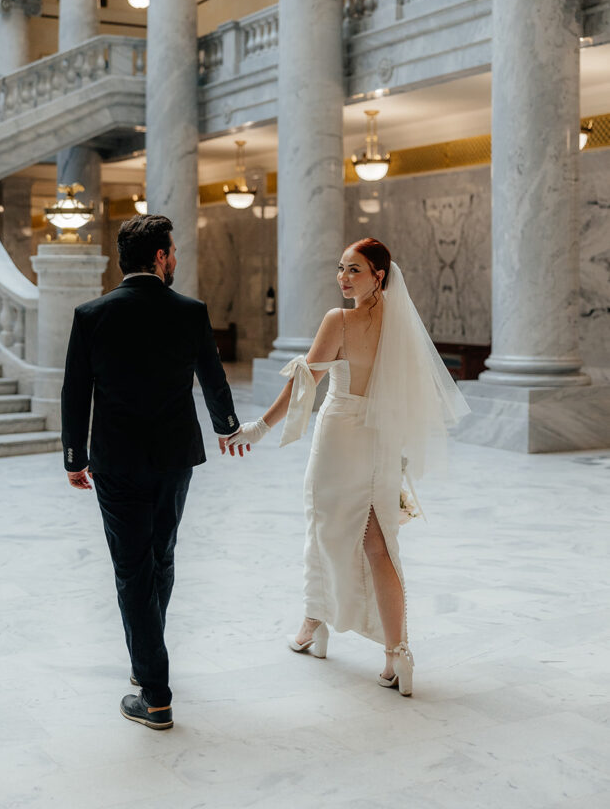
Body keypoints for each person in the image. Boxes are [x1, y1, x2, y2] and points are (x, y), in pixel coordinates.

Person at [227, 238, 469, 696]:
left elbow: (306, 383)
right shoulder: (402, 327)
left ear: (379, 275)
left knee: (324, 527)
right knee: (379, 542)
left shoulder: (338, 320)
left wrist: (259, 426)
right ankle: (397, 655)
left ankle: (313, 627)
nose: (343, 277)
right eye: (341, 268)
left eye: (354, 270)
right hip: (381, 439)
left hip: (340, 436)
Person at [61, 214, 247, 730]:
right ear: (162, 257)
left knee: (132, 568)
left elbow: (75, 394)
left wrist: (75, 457)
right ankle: (148, 665)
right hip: (174, 457)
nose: (175, 259)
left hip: (116, 460)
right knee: (160, 556)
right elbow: (212, 377)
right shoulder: (189, 312)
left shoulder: (91, 314)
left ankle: (155, 691)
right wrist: (226, 426)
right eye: (174, 251)